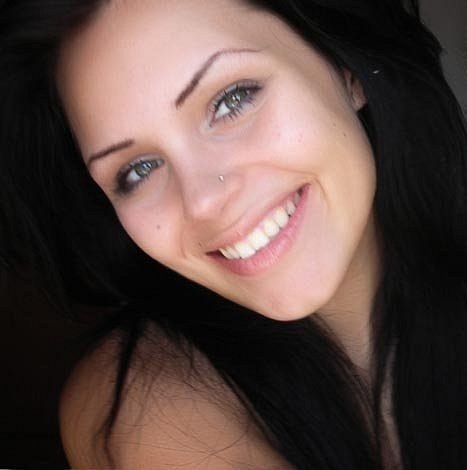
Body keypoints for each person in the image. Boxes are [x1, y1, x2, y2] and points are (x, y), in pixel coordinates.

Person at [1, 0, 466, 468]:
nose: (202, 201)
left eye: (232, 100)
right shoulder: (146, 400)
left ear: (345, 67)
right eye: (138, 170)